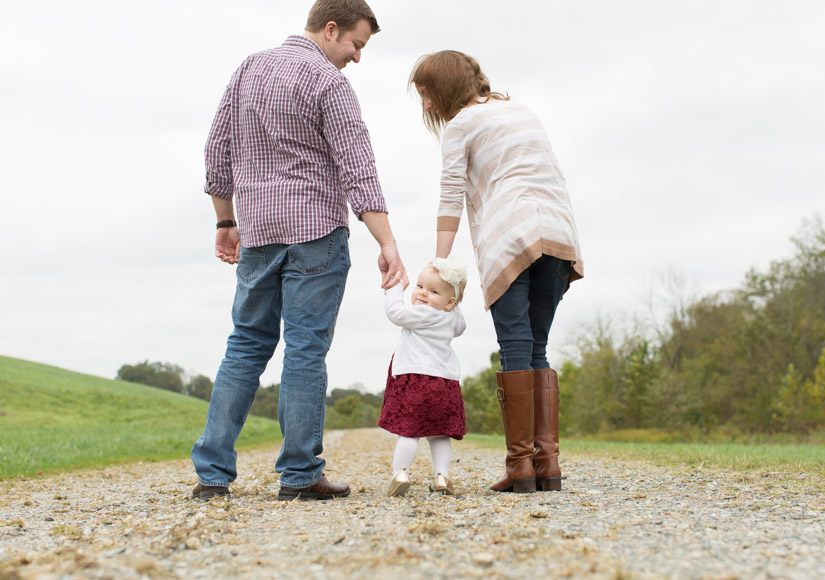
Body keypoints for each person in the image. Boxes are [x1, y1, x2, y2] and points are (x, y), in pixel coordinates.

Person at [190, 0, 407, 502]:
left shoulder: (249, 68)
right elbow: (359, 169)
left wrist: (226, 220)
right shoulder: (329, 84)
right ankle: (300, 475)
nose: (357, 57)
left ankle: (212, 475)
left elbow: (216, 151)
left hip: (260, 232)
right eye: (356, 44)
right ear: (330, 30)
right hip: (315, 232)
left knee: (245, 345)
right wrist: (388, 242)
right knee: (305, 350)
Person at [409, 50, 584, 494]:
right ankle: (547, 466)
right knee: (537, 348)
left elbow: (450, 198)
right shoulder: (521, 109)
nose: (426, 105)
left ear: (445, 90)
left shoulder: (461, 125)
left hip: (511, 234)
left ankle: (520, 466)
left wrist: (440, 265)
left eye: (428, 95)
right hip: (559, 232)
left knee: (515, 347)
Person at [378, 257, 468, 497]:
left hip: (417, 383)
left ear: (447, 301)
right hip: (445, 386)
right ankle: (442, 477)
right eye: (420, 286)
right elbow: (461, 326)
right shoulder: (451, 318)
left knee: (409, 431)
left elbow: (395, 312)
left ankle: (401, 474)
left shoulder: (422, 315)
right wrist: (454, 300)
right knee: (439, 434)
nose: (423, 294)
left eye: (433, 291)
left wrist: (395, 285)